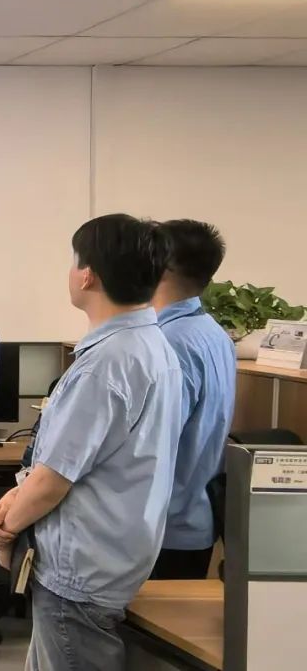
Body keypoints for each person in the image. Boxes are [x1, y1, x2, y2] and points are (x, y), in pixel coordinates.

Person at [0, 214, 182, 671]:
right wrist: (16, 496)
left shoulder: (105, 363)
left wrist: (4, 527)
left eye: (74, 261)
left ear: (88, 274)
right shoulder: (152, 346)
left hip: (80, 570)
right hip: (114, 556)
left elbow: (54, 480)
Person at [149, 219, 236, 579]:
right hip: (194, 519)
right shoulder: (214, 333)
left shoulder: (167, 342)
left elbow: (150, 447)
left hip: (160, 528)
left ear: (160, 265)